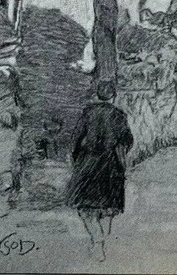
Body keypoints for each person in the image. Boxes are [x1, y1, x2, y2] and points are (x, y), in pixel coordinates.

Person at [66, 80, 134, 261]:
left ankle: (97, 240)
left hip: (88, 163)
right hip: (110, 165)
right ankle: (102, 239)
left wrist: (76, 158)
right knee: (107, 207)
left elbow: (76, 139)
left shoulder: (88, 113)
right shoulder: (119, 115)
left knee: (86, 208)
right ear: (113, 95)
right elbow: (128, 140)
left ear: (97, 95)